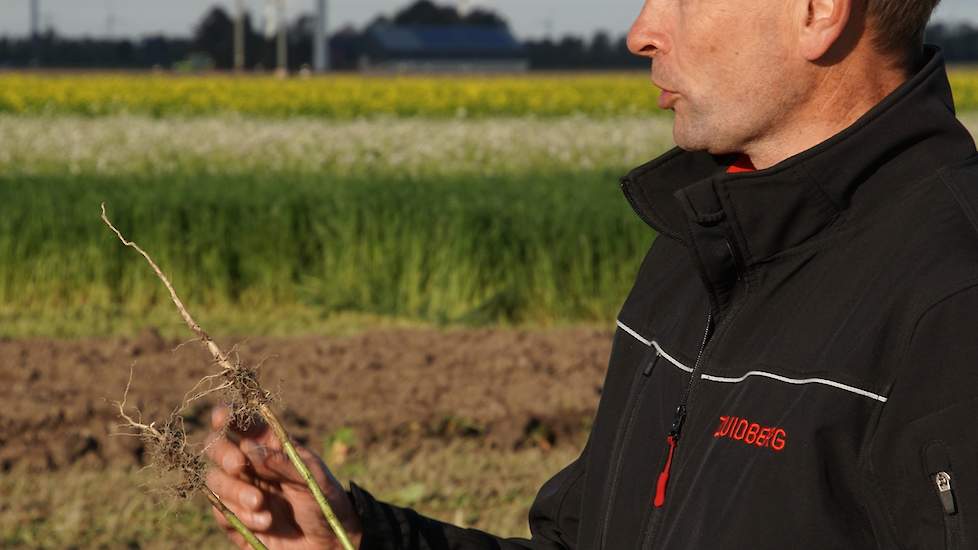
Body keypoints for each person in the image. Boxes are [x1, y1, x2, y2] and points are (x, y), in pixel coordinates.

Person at [205, 0, 978, 547]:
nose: (641, 32)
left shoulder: (952, 299)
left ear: (817, 10)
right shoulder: (696, 247)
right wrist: (361, 538)